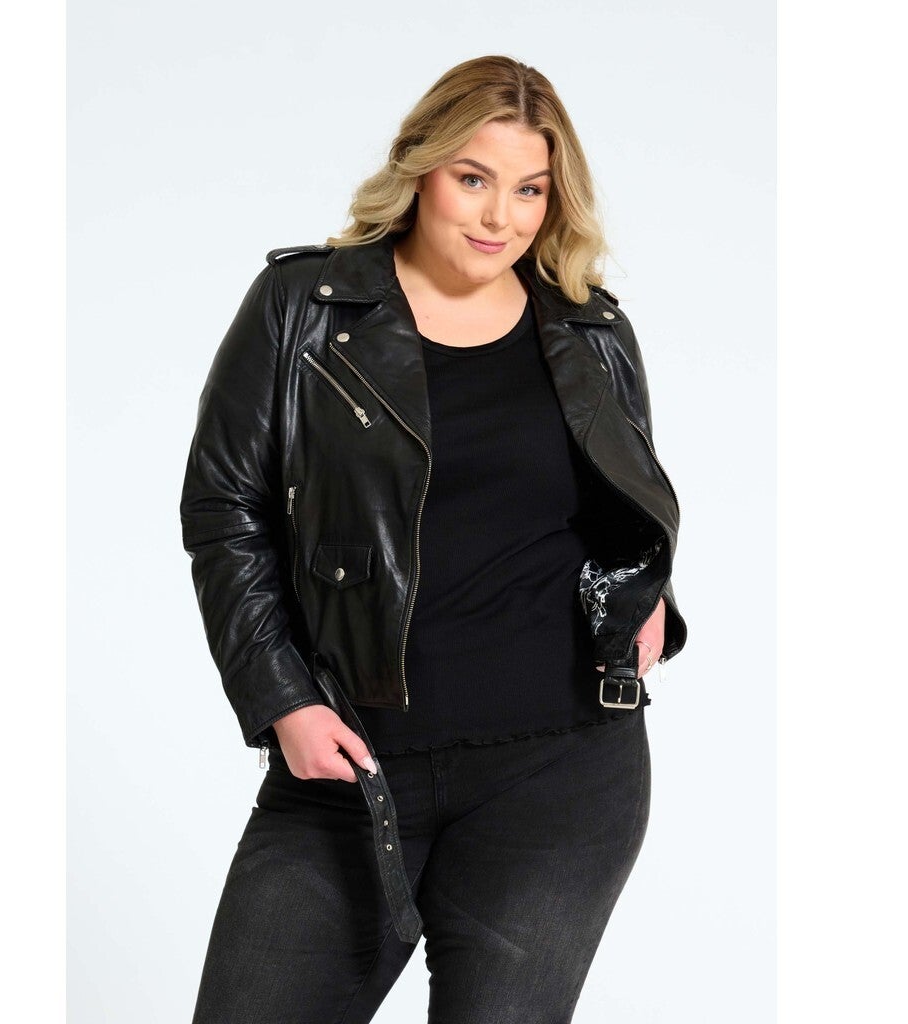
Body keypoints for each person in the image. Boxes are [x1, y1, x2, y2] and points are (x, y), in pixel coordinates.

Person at [180, 54, 688, 1024]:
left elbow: (626, 502)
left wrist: (646, 593)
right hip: (351, 763)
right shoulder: (305, 307)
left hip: (560, 770)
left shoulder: (589, 328)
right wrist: (281, 698)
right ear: (419, 168)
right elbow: (223, 507)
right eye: (474, 178)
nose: (501, 216)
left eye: (530, 189)